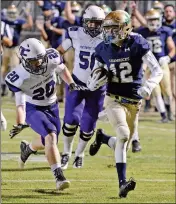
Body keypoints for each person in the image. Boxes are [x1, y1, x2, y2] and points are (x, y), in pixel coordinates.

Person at [87, 10, 163, 198]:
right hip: (114, 99)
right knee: (123, 135)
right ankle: (122, 184)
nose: (109, 33)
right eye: (107, 29)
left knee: (123, 143)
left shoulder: (137, 42)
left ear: (126, 28)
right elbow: (93, 78)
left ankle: (103, 139)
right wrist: (94, 82)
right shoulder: (102, 48)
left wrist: (149, 86)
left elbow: (157, 71)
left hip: (134, 103)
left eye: (114, 28)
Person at [5, 38, 82, 191]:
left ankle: (28, 148)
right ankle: (59, 177)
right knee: (51, 137)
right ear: (25, 60)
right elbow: (20, 103)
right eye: (34, 61)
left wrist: (71, 83)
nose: (39, 63)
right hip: (33, 109)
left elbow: (62, 69)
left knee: (49, 140)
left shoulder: (51, 57)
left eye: (40, 59)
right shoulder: (19, 76)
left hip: (52, 106)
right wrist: (20, 122)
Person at [57, 5, 106, 169]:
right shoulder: (75, 34)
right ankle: (66, 153)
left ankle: (79, 153)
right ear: (85, 22)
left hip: (97, 87)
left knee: (88, 125)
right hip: (76, 83)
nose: (93, 26)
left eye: (97, 23)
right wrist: (58, 68)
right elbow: (58, 52)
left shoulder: (108, 37)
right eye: (90, 23)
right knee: (70, 120)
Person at [136, 9, 175, 122]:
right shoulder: (142, 32)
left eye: (155, 19)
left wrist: (168, 57)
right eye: (150, 20)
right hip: (149, 66)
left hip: (162, 64)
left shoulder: (165, 31)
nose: (153, 22)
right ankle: (163, 116)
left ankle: (169, 112)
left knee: (167, 91)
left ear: (159, 20)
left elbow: (172, 48)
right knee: (155, 92)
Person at [1, 4, 33, 96]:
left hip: (15, 48)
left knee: (14, 68)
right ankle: (3, 86)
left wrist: (28, 15)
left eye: (13, 13)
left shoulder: (18, 21)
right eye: (10, 13)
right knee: (3, 69)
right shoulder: (4, 21)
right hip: (6, 48)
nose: (11, 14)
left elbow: (29, 24)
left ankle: (13, 88)